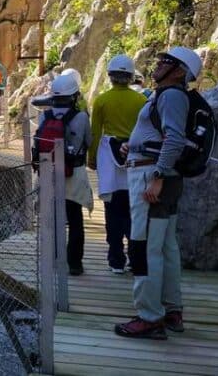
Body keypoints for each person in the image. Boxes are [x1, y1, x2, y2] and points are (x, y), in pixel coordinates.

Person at [115, 46, 202, 340]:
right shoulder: (167, 96)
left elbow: (174, 139)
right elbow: (162, 136)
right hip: (156, 171)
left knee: (143, 247)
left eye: (166, 61)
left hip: (152, 177)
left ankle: (149, 317)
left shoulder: (172, 96)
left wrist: (158, 176)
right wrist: (133, 145)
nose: (158, 63)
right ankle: (171, 309)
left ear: (179, 71)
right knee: (165, 247)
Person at [88, 54, 147, 274]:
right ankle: (134, 257)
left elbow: (95, 132)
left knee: (112, 210)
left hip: (109, 158)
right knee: (133, 210)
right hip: (134, 157)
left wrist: (91, 158)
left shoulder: (102, 101)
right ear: (131, 76)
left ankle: (115, 260)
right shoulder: (142, 101)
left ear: (110, 76)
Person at [36, 73, 92, 276]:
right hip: (73, 172)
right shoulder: (82, 117)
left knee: (53, 217)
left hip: (49, 172)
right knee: (75, 218)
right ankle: (75, 263)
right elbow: (88, 141)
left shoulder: (44, 116)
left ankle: (54, 258)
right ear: (74, 96)